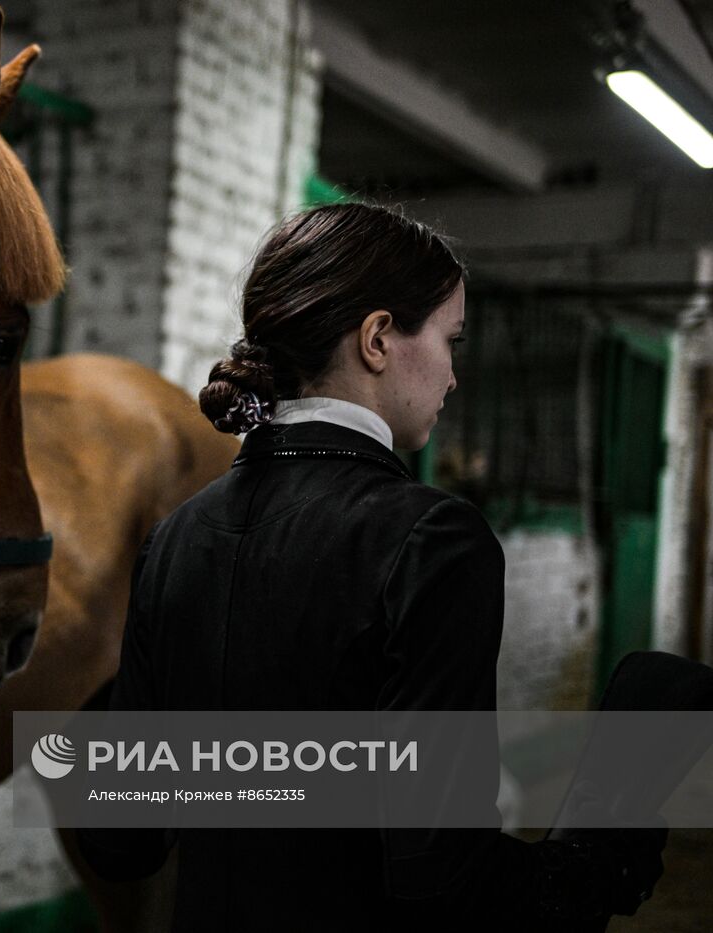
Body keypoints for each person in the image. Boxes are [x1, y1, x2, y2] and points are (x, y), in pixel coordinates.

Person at [74, 202, 666, 931]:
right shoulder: (434, 539)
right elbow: (442, 878)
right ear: (379, 338)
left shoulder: (172, 539)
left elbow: (118, 839)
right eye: (450, 341)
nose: (452, 377)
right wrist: (591, 863)